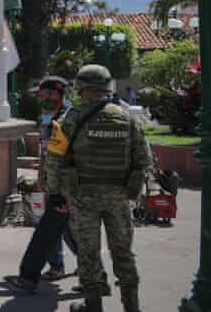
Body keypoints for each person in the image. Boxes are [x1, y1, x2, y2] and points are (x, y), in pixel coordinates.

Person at [46, 65, 151, 312]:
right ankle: (132, 307)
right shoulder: (127, 117)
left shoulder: (70, 118)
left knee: (88, 255)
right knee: (123, 254)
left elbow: (53, 160)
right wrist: (133, 190)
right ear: (107, 87)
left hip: (84, 197)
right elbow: (144, 159)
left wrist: (55, 194)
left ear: (81, 88)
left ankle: (93, 307)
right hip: (119, 197)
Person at [4, 76, 108, 294]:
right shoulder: (52, 117)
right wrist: (42, 173)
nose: (42, 99)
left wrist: (68, 193)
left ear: (57, 94)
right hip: (58, 186)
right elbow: (51, 152)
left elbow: (75, 157)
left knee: (44, 234)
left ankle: (28, 277)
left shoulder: (67, 119)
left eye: (45, 95)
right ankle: (97, 278)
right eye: (40, 96)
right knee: (71, 233)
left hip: (66, 188)